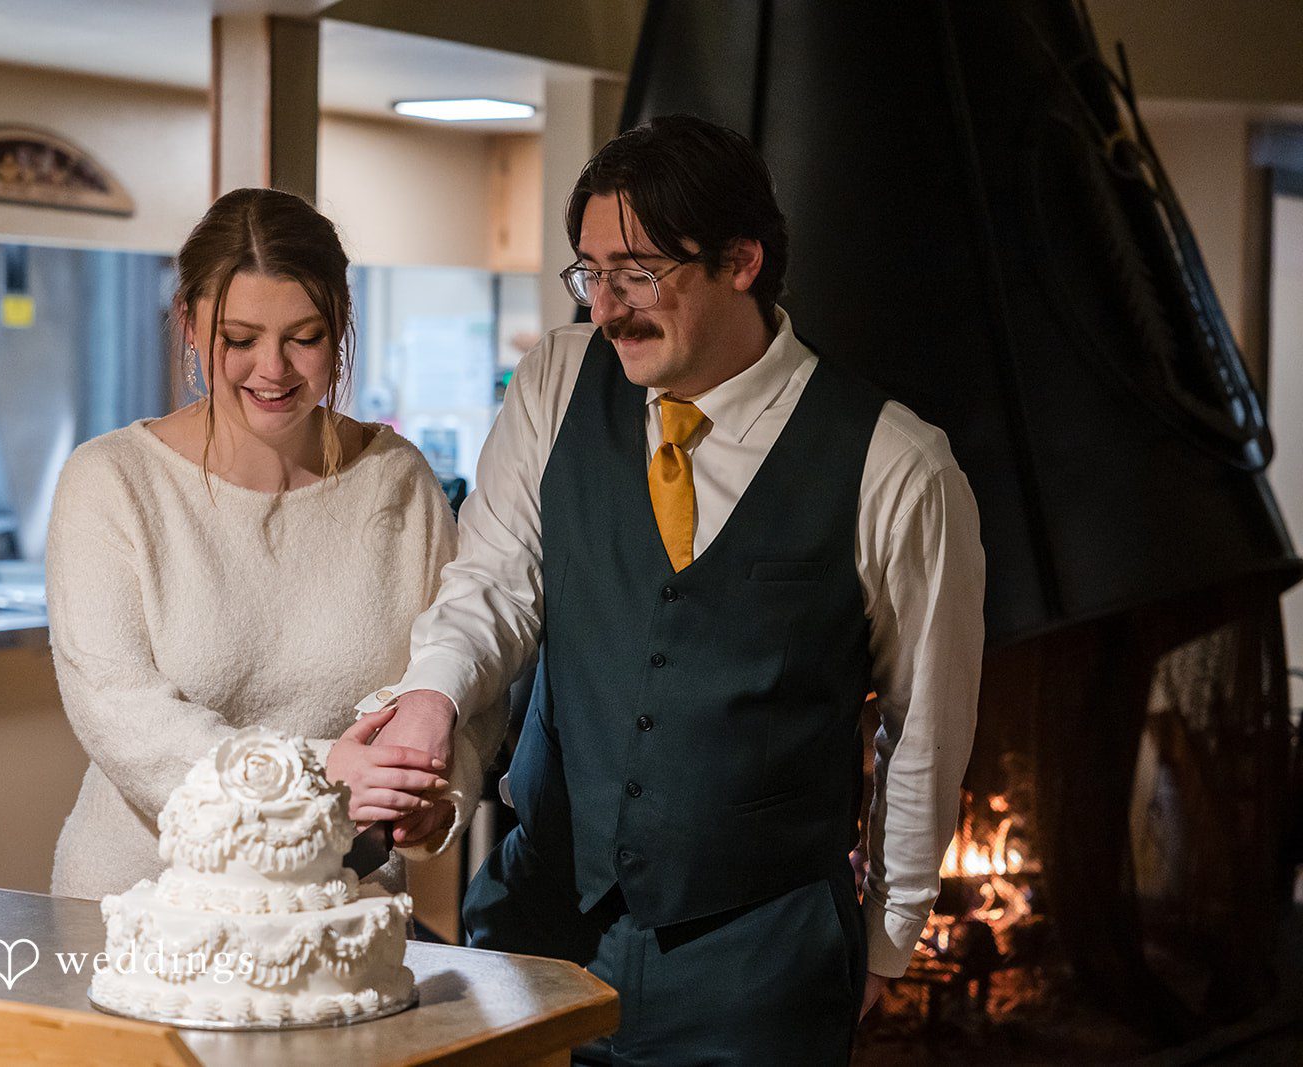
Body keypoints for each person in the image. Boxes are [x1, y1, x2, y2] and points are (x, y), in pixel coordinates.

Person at [362, 115, 985, 1063]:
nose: (606, 306)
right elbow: (492, 582)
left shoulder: (897, 465)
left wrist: (887, 939)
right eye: (589, 271)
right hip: (541, 922)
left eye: (639, 271)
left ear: (741, 260)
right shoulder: (557, 380)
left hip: (761, 962)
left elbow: (924, 725)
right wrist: (430, 700)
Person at [46, 187, 504, 901]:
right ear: (190, 325)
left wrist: (434, 793)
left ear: (340, 326)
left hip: (339, 904)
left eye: (305, 336)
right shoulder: (111, 482)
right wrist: (323, 773)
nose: (274, 369)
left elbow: (463, 695)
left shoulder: (398, 480)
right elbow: (122, 712)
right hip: (144, 904)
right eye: (240, 338)